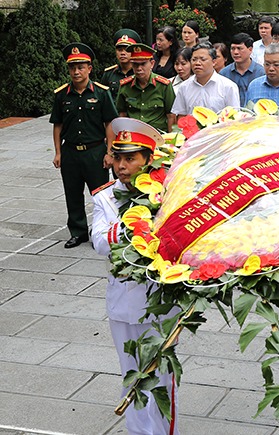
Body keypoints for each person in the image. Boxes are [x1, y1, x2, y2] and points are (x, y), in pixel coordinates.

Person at [91, 118, 174, 435]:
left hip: (162, 304)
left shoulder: (166, 194)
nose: (121, 166)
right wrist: (134, 222)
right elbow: (99, 241)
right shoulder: (105, 197)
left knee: (161, 379)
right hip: (123, 302)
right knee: (132, 377)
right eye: (117, 157)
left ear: (148, 160)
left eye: (130, 158)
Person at [51, 43, 117, 248]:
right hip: (71, 152)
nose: (76, 71)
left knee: (100, 194)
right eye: (72, 67)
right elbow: (57, 125)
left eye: (81, 67)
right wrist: (58, 152)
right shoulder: (62, 95)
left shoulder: (101, 92)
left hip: (95, 152)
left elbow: (110, 124)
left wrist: (109, 152)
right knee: (72, 193)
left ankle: (101, 229)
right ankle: (78, 232)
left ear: (89, 68)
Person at [117, 43, 177, 133]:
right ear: (131, 64)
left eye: (143, 64)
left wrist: (170, 140)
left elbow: (171, 115)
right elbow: (122, 115)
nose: (139, 68)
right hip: (133, 136)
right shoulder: (125, 86)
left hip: (157, 137)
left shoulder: (164, 85)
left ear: (152, 64)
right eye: (135, 64)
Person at [170, 43, 239, 118]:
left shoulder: (228, 86)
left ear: (214, 62)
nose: (197, 63)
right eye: (194, 59)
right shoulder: (184, 87)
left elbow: (234, 118)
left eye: (203, 59)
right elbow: (181, 116)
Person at [220, 33, 265, 107]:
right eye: (233, 48)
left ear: (250, 50)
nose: (235, 52)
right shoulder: (224, 73)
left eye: (239, 48)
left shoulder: (261, 73)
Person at [101, 29, 140, 99]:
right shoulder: (109, 74)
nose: (122, 53)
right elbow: (103, 97)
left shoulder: (139, 72)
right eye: (119, 50)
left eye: (127, 50)